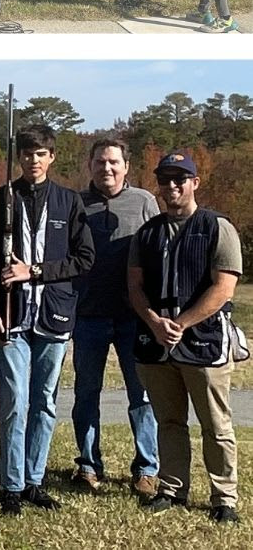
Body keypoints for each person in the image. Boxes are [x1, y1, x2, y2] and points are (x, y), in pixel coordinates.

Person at [0, 124, 94, 516]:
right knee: (14, 400)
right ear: (20, 157)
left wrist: (36, 271)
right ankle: (11, 485)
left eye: (41, 153)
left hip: (55, 314)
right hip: (11, 316)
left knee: (44, 401)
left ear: (52, 157)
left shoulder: (69, 201)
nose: (33, 160)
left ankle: (34, 480)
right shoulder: (0, 199)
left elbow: (84, 259)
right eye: (27, 153)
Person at [129, 151, 244, 524]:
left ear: (195, 182)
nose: (172, 186)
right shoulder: (147, 232)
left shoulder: (217, 227)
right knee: (169, 422)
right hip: (156, 345)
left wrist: (180, 323)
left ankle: (224, 497)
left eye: (181, 179)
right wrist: (154, 322)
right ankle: (172, 489)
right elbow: (135, 287)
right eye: (165, 179)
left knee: (216, 425)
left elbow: (224, 287)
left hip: (205, 342)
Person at [71, 140, 159, 497]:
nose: (106, 168)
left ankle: (147, 469)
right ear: (89, 165)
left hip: (133, 318)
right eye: (99, 162)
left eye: (113, 162)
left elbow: (158, 252)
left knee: (141, 395)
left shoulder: (144, 202)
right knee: (86, 393)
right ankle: (89, 465)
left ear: (126, 165)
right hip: (88, 314)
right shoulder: (76, 204)